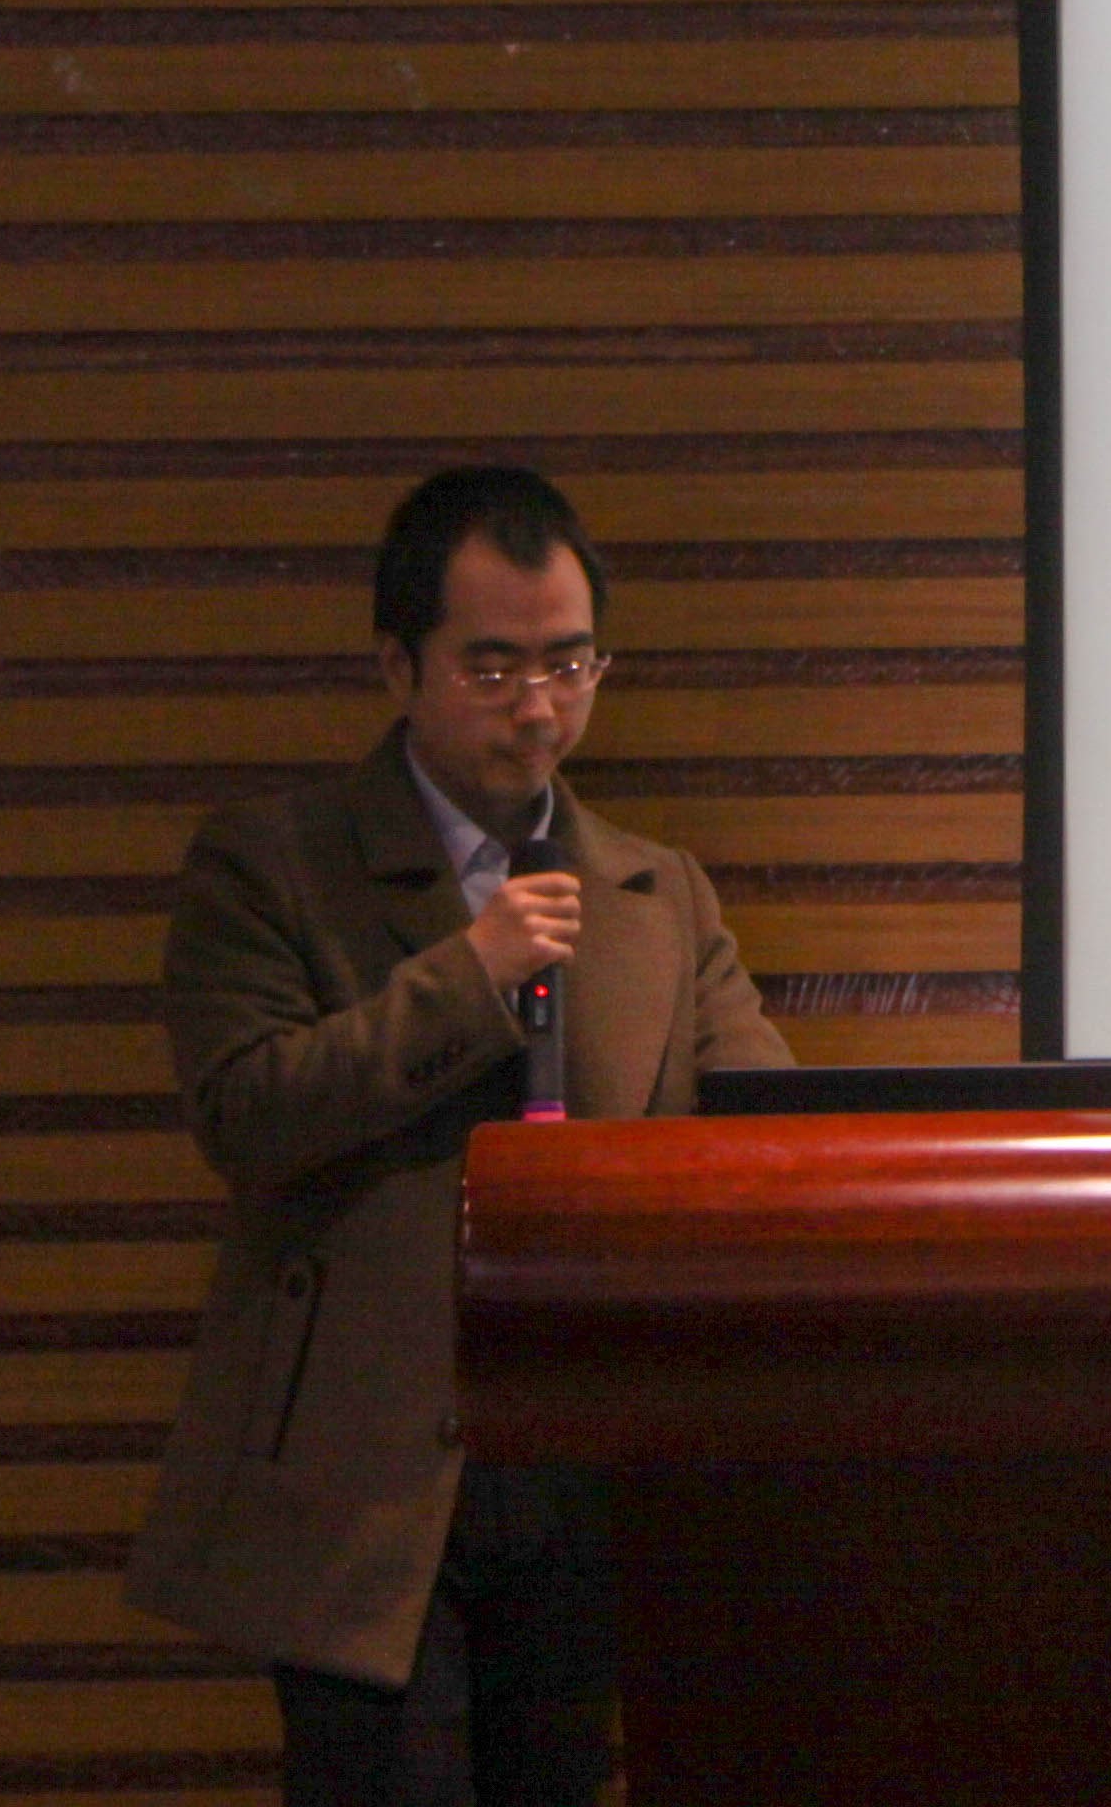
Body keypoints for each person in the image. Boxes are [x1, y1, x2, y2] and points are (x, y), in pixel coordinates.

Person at [129, 467, 794, 1807]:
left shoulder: (659, 894)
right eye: (492, 669)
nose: (538, 708)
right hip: (365, 1479)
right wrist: (466, 977)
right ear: (400, 665)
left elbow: (763, 1135)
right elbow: (246, 1114)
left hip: (583, 1466)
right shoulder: (271, 864)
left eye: (569, 664)